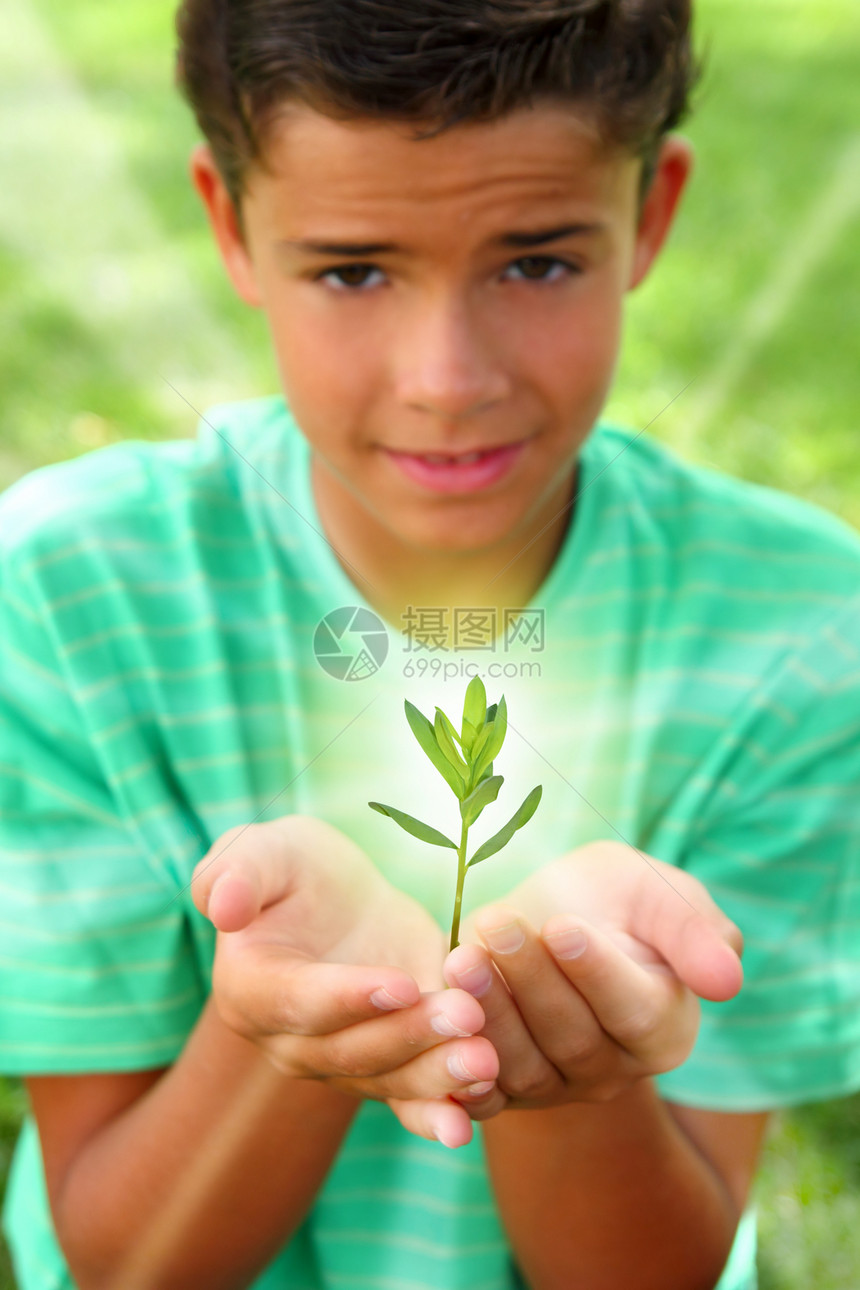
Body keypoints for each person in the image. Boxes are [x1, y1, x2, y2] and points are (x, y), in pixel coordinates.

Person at [1, 2, 859, 1287]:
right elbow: (132, 1266)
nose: (445, 377)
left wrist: (563, 1062)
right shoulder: (68, 602)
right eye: (353, 269)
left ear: (651, 209)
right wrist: (274, 1029)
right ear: (231, 223)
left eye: (534, 261)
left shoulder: (796, 635)